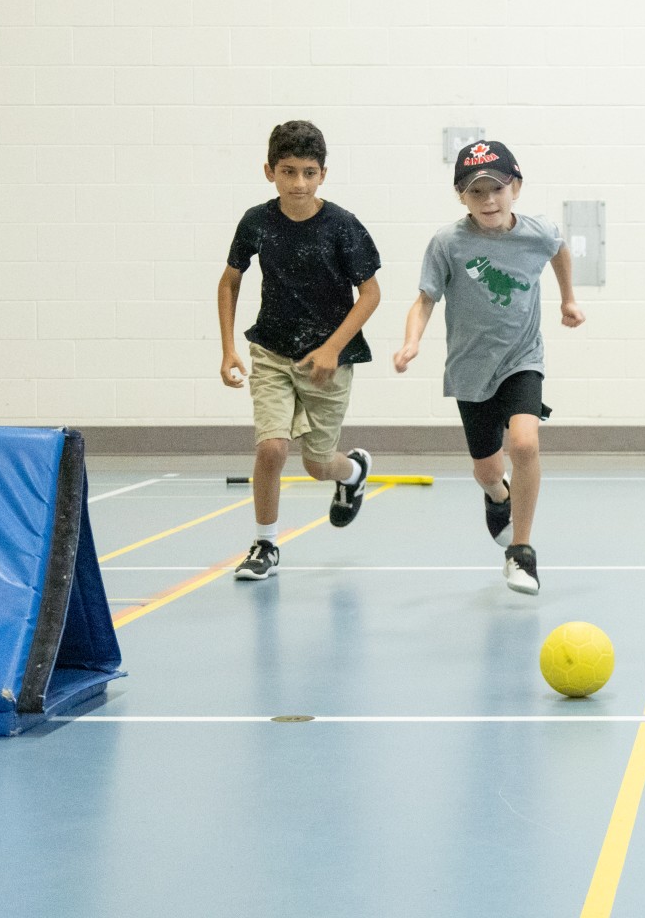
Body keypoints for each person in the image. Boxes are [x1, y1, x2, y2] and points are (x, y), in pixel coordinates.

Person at [393, 140, 584, 594]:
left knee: (524, 443)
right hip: (469, 368)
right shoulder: (448, 243)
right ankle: (498, 496)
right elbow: (424, 300)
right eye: (476, 192)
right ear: (462, 197)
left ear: (515, 186)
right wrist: (411, 341)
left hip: (522, 359)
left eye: (496, 189)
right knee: (485, 469)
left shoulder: (536, 232)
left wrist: (569, 298)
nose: (488, 200)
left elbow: (558, 248)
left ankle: (521, 552)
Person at [218, 120, 382, 581]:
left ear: (323, 175)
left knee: (315, 465)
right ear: (269, 171)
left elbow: (370, 294)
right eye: (288, 172)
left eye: (309, 173)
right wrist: (229, 349)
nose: (298, 183)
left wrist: (332, 348)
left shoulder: (342, 227)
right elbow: (230, 279)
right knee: (271, 448)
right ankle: (265, 545)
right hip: (270, 350)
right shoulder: (256, 222)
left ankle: (351, 473)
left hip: (327, 362)